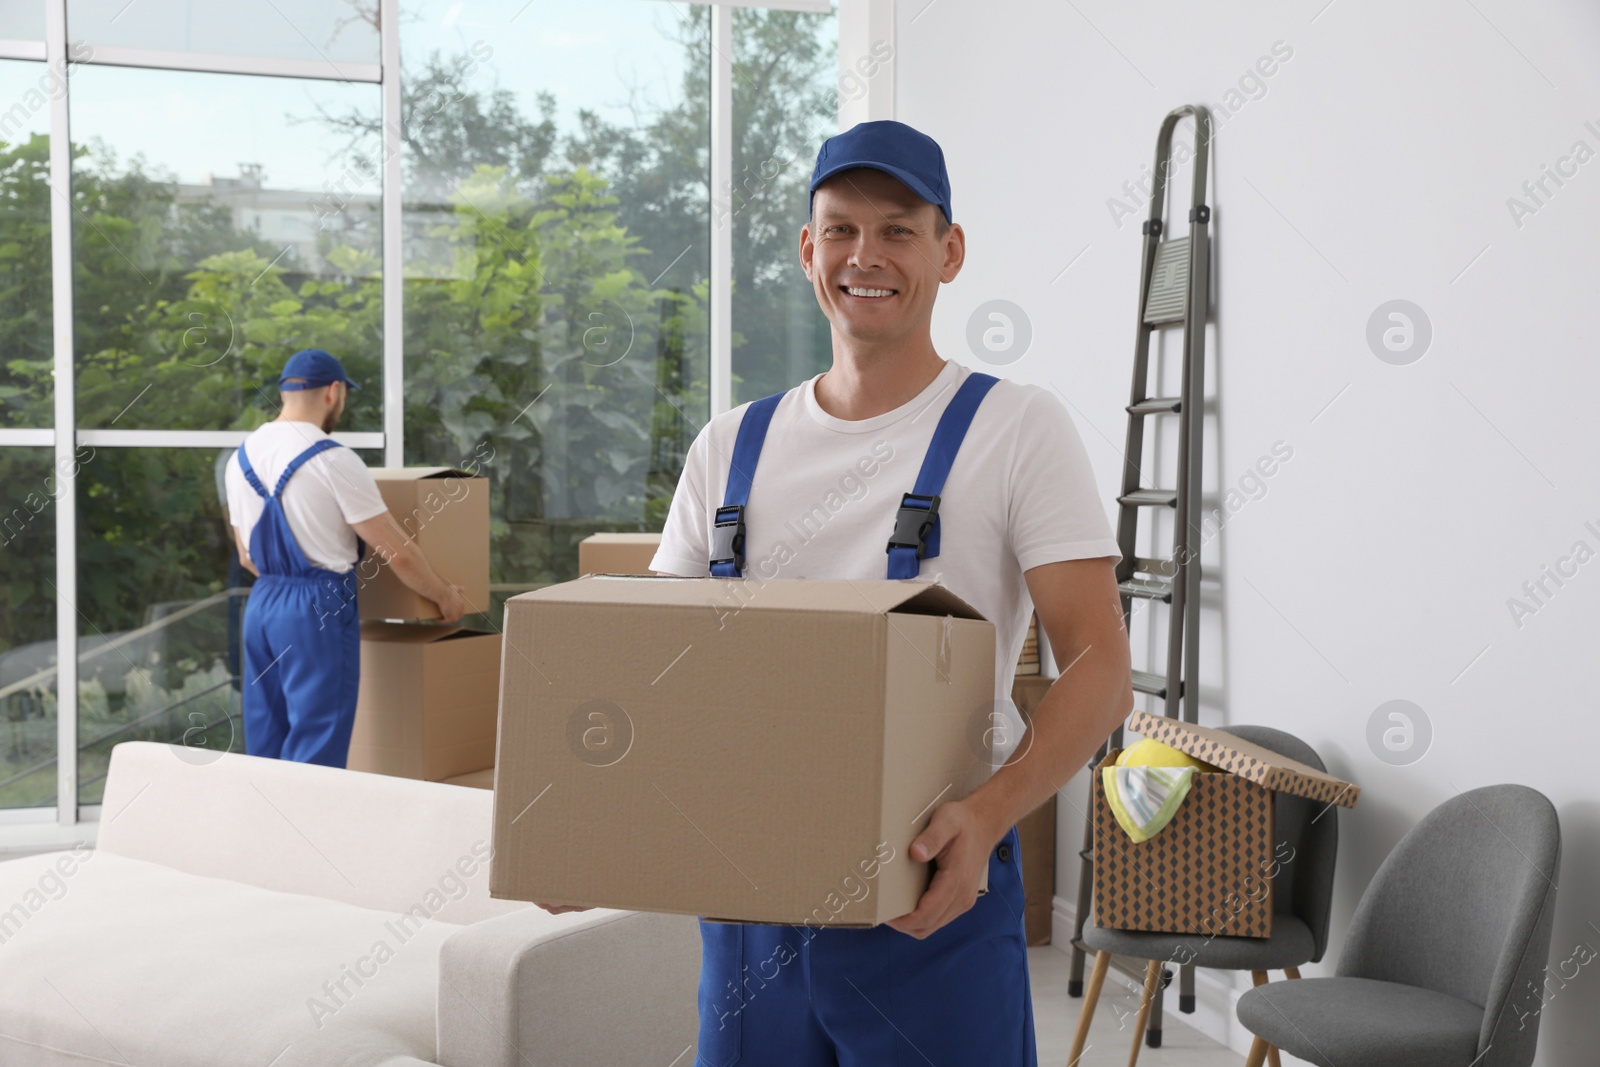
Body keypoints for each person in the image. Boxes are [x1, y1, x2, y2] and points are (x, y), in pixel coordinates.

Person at [538, 121, 1135, 1065]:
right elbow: (657, 670)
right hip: (746, 917)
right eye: (843, 228)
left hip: (933, 903)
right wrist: (596, 830)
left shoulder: (1016, 428)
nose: (869, 255)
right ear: (810, 249)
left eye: (899, 229)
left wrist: (989, 814)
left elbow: (1101, 668)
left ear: (950, 250)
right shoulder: (730, 445)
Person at [224, 348, 468, 768]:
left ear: (285, 391)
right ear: (334, 393)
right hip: (316, 609)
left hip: (262, 604)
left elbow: (246, 556)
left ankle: (264, 830)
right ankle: (311, 832)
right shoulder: (334, 459)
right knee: (318, 742)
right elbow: (400, 554)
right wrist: (445, 597)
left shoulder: (240, 457)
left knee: (265, 741)